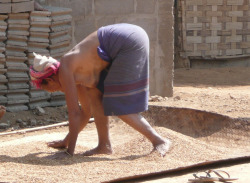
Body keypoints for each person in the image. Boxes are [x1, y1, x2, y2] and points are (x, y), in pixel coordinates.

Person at [30, 23, 171, 158]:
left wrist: (69, 152)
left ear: (49, 80)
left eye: (49, 89)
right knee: (94, 95)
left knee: (118, 105)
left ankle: (159, 141)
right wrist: (66, 141)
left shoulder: (66, 68)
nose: (53, 91)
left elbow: (74, 113)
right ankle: (104, 145)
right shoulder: (77, 75)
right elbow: (86, 112)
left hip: (127, 41)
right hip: (127, 38)